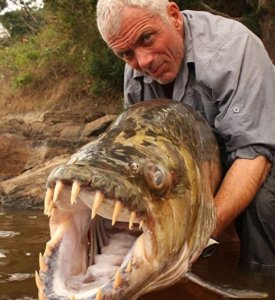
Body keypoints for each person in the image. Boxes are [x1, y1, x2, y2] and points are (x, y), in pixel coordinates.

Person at [96, 0, 275, 275]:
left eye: (147, 38)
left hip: (261, 146)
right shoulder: (135, 72)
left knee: (262, 204)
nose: (143, 62)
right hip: (204, 159)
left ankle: (261, 279)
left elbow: (254, 155)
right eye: (126, 54)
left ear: (174, 16)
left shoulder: (232, 48)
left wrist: (193, 238)